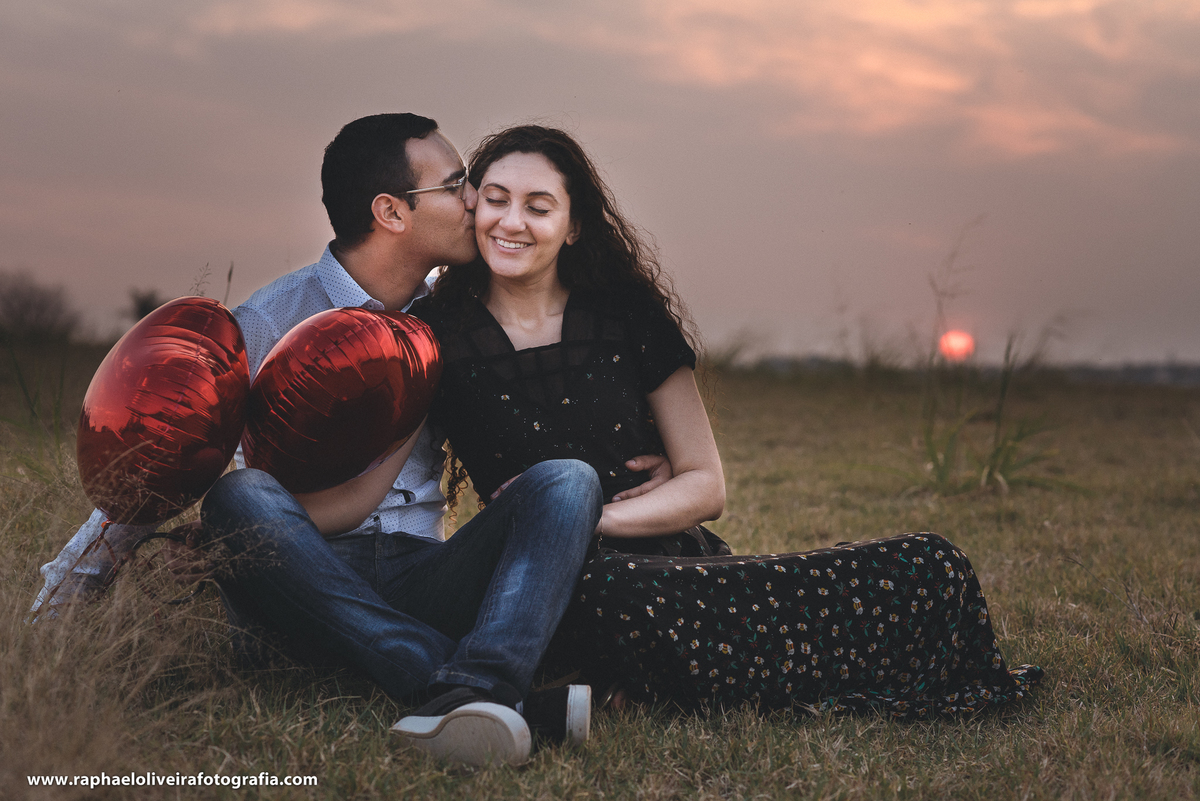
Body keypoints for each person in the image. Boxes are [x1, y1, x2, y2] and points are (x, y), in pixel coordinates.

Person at [32, 114, 676, 767]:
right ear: (392, 211)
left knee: (565, 478)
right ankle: (468, 686)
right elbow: (164, 451)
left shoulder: (452, 317)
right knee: (239, 495)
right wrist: (61, 598)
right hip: (300, 577)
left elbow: (537, 401)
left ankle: (464, 683)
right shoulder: (271, 318)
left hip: (419, 570)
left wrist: (627, 460)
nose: (476, 201)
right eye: (458, 185)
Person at [411, 124, 1044, 717]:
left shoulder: (625, 313)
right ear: (473, 208)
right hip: (544, 588)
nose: (511, 222)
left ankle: (639, 681)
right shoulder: (436, 335)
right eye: (495, 200)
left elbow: (705, 484)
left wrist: (578, 519)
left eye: (538, 207)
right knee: (610, 594)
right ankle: (622, 683)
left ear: (573, 226)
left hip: (671, 563)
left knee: (928, 563)